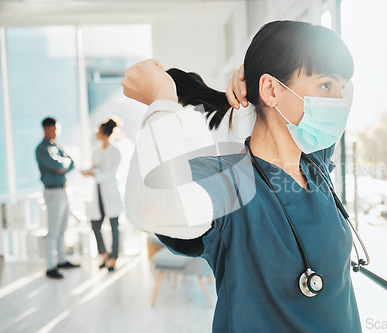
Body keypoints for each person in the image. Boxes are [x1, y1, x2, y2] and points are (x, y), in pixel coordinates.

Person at [123, 20, 363, 332]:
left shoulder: (314, 164)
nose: (339, 101)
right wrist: (161, 100)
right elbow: (154, 204)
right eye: (326, 86)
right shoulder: (226, 179)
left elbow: (351, 91)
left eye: (340, 87)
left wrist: (251, 74)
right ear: (272, 89)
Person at [35, 117, 80, 279]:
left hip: (64, 190)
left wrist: (63, 164)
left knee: (62, 228)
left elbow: (71, 162)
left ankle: (61, 260)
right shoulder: (42, 149)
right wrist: (63, 164)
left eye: (57, 129)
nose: (56, 132)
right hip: (53, 192)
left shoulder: (57, 146)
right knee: (53, 231)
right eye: (54, 129)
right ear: (46, 129)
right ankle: (50, 266)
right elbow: (59, 166)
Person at [81, 118, 124, 272]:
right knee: (95, 225)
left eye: (98, 131)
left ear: (105, 134)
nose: (96, 133)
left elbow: (109, 173)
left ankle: (113, 257)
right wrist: (91, 172)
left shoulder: (115, 151)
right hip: (99, 191)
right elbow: (96, 168)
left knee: (114, 226)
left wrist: (93, 173)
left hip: (110, 191)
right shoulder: (96, 151)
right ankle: (104, 253)